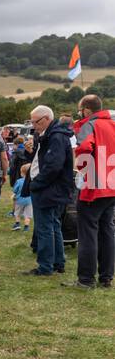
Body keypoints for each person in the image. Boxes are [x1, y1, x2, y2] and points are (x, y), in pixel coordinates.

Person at [20, 105, 74, 278]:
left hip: (48, 188)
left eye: (35, 122)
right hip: (52, 188)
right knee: (54, 225)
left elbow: (53, 166)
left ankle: (45, 267)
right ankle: (58, 263)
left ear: (46, 119)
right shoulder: (49, 135)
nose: (33, 126)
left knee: (44, 228)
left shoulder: (56, 137)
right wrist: (33, 150)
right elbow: (43, 161)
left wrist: (37, 184)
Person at [70, 94, 115, 289]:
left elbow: (85, 147)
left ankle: (86, 279)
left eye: (80, 110)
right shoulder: (113, 123)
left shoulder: (89, 124)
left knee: (88, 232)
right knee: (107, 231)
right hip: (112, 184)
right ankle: (106, 278)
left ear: (86, 110)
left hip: (95, 185)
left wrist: (83, 169)